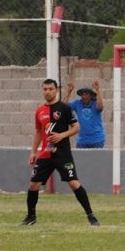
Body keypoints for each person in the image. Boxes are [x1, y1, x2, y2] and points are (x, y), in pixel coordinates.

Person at [21, 79, 100, 226]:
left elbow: (76, 127)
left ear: (56, 90)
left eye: (50, 89)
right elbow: (38, 132)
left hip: (62, 154)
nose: (47, 92)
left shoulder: (65, 108)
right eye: (45, 89)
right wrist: (33, 152)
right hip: (45, 154)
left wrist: (61, 135)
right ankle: (31, 217)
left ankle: (91, 216)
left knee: (74, 183)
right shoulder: (39, 110)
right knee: (33, 185)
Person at [64, 79, 105, 148]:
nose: (84, 96)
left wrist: (97, 90)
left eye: (86, 94)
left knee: (97, 155)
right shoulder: (77, 103)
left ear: (91, 95)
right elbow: (64, 107)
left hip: (97, 139)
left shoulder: (95, 103)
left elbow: (100, 107)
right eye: (82, 94)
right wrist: (69, 92)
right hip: (82, 140)